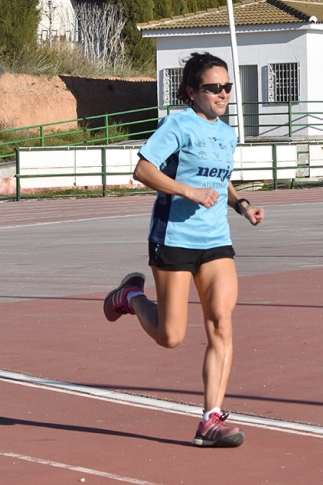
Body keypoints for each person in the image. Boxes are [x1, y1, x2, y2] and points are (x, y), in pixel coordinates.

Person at [103, 52, 264, 447]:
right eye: (213, 87)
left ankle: (210, 419)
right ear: (192, 91)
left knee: (221, 324)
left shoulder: (227, 133)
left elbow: (220, 177)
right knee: (170, 336)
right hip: (173, 238)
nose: (223, 94)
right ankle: (131, 296)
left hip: (215, 242)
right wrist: (188, 191)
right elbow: (143, 170)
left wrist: (240, 204)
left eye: (227, 87)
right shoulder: (177, 125)